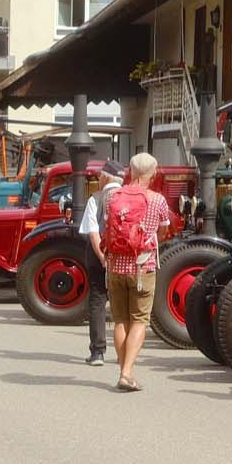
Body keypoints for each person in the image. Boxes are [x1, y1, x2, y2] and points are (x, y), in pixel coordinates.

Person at [100, 153, 168, 391]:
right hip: (142, 267)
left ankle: (123, 372)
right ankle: (127, 373)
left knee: (120, 320)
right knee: (139, 320)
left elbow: (107, 226)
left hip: (115, 266)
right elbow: (162, 232)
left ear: (130, 170)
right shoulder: (157, 200)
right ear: (153, 173)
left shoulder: (112, 196)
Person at [76, 160, 126, 367]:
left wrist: (102, 257)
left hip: (101, 258)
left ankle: (98, 351)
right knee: (124, 304)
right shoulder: (131, 197)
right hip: (127, 257)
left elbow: (93, 233)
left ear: (105, 177)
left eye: (99, 176)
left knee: (98, 301)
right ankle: (125, 352)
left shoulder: (96, 199)